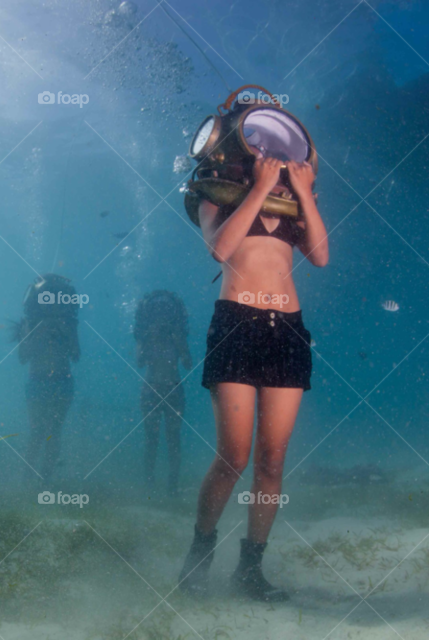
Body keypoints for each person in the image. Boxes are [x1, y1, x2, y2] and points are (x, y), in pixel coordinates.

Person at [178, 154, 328, 602]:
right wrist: (260, 189)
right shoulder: (215, 201)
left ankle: (249, 569)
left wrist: (302, 193)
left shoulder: (294, 209)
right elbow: (219, 249)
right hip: (235, 325)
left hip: (287, 331)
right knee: (233, 457)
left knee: (272, 462)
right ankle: (198, 555)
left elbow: (320, 256)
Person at [11, 274, 80, 483]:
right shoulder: (30, 323)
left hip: (61, 382)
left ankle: (44, 482)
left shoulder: (68, 322)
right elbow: (23, 358)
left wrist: (64, 331)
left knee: (53, 433)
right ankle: (27, 480)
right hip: (38, 382)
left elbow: (76, 355)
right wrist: (32, 334)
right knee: (38, 433)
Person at [134, 290, 192, 496]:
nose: (161, 319)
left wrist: (176, 338)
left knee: (173, 438)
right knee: (152, 438)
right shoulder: (146, 335)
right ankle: (149, 483)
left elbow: (187, 363)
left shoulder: (178, 334)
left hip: (173, 389)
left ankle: (172, 486)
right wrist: (149, 337)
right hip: (152, 388)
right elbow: (139, 362)